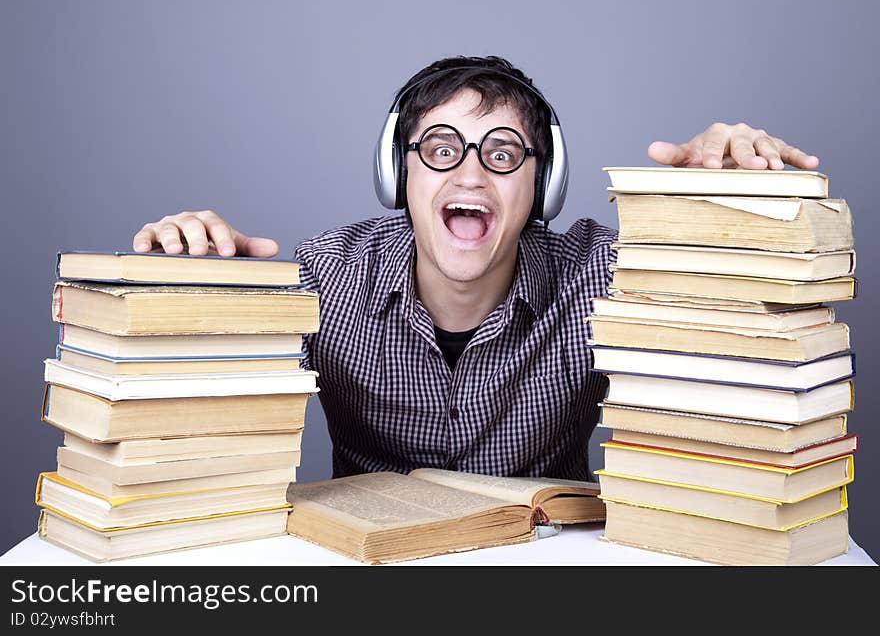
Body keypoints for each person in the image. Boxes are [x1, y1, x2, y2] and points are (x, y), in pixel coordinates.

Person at [131, 55, 820, 480]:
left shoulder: (602, 277)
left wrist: (726, 198)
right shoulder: (326, 280)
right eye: (439, 147)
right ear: (394, 173)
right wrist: (185, 280)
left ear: (542, 186)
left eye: (501, 152)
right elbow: (186, 425)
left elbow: (751, 321)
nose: (469, 171)